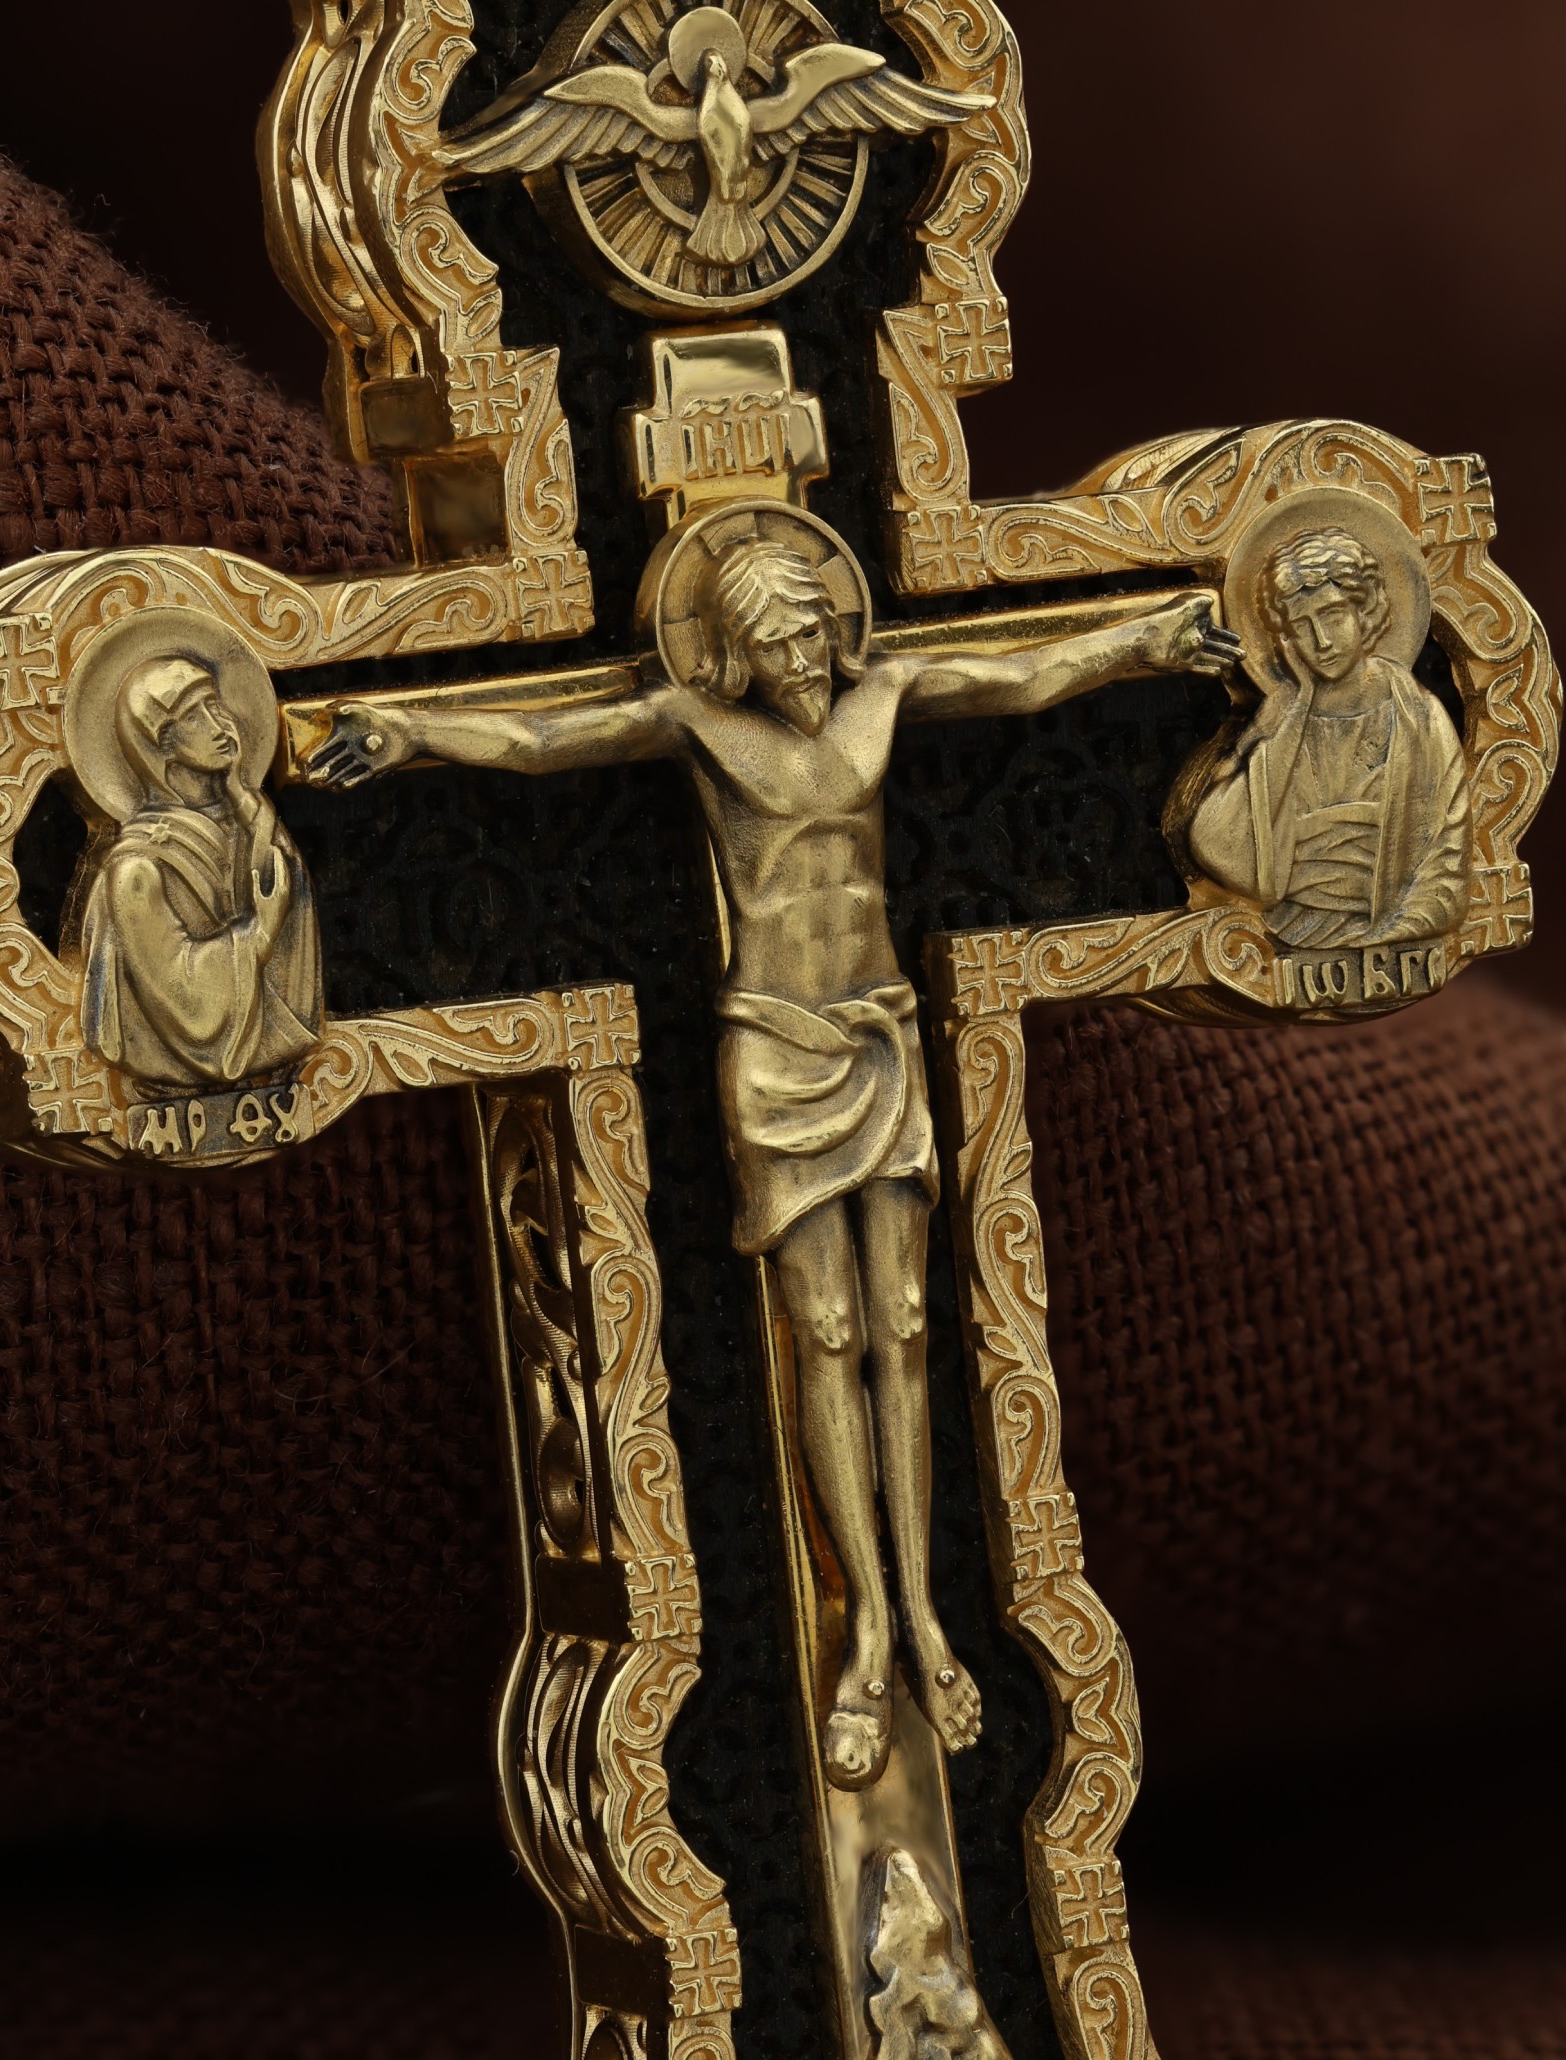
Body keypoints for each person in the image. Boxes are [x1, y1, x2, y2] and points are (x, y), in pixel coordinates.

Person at [309, 534, 1236, 1789]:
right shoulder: (696, 725)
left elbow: (1021, 675)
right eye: (771, 643)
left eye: (809, 634)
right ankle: (867, 1629)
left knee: (907, 1322)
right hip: (776, 1050)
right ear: (730, 655)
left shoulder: (884, 693)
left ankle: (927, 1616)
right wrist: (412, 731)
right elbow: (538, 739)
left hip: (880, 1028)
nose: (798, 660)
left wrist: (1144, 639)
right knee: (827, 1328)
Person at [1188, 527, 1470, 946]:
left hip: (1393, 932)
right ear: (1285, 639)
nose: (1321, 641)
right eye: (1302, 626)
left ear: (1365, 611)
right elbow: (1215, 838)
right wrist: (1296, 709)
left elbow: (1448, 861)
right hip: (1286, 932)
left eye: (1334, 616)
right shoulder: (1279, 719)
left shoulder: (1420, 719)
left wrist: (1393, 932)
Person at [76, 655, 321, 1093]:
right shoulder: (137, 869)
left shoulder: (246, 823)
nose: (219, 724)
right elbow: (190, 1005)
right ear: (161, 745)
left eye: (214, 704)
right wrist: (259, 932)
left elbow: (288, 886)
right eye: (193, 716)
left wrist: (240, 793)